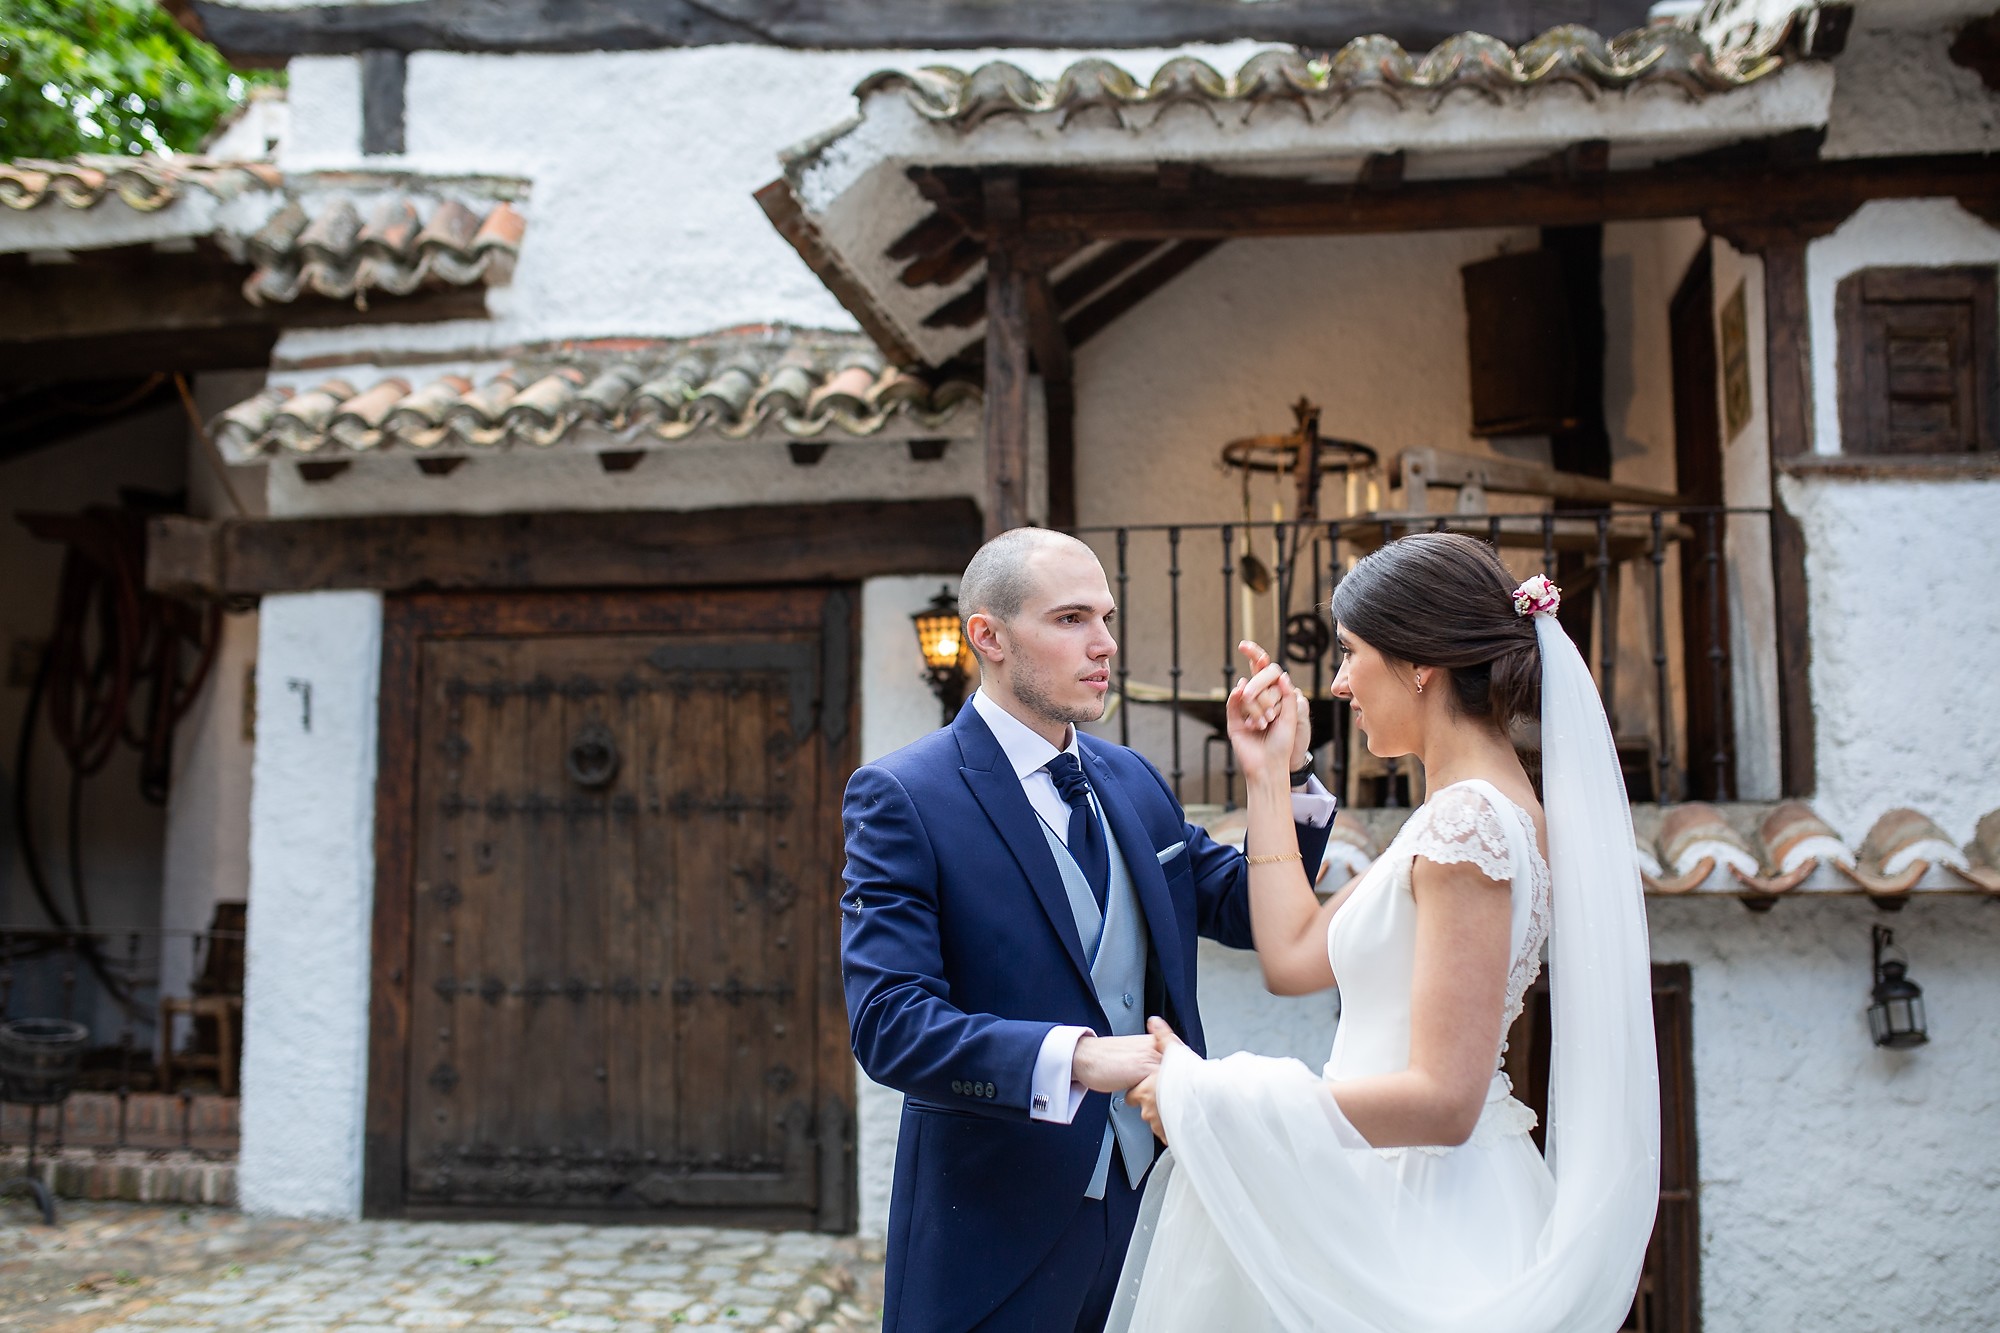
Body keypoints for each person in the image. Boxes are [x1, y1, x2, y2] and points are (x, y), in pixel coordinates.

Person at [1112, 532, 1660, 1333]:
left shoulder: (1470, 824)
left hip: (1425, 1210)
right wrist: (1271, 776)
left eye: (1351, 652)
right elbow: (1296, 954)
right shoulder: (1456, 815)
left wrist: (1220, 1100)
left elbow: (1444, 1100)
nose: (1338, 683)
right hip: (1386, 1186)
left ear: (1420, 662)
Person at [840, 527, 1338, 1332]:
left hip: (1159, 1210)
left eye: (1105, 617)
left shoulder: (1133, 779)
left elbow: (1250, 909)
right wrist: (1079, 1057)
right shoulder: (902, 795)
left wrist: (1286, 778)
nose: (1105, 643)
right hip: (995, 1230)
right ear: (988, 637)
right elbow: (891, 1024)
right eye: (1072, 619)